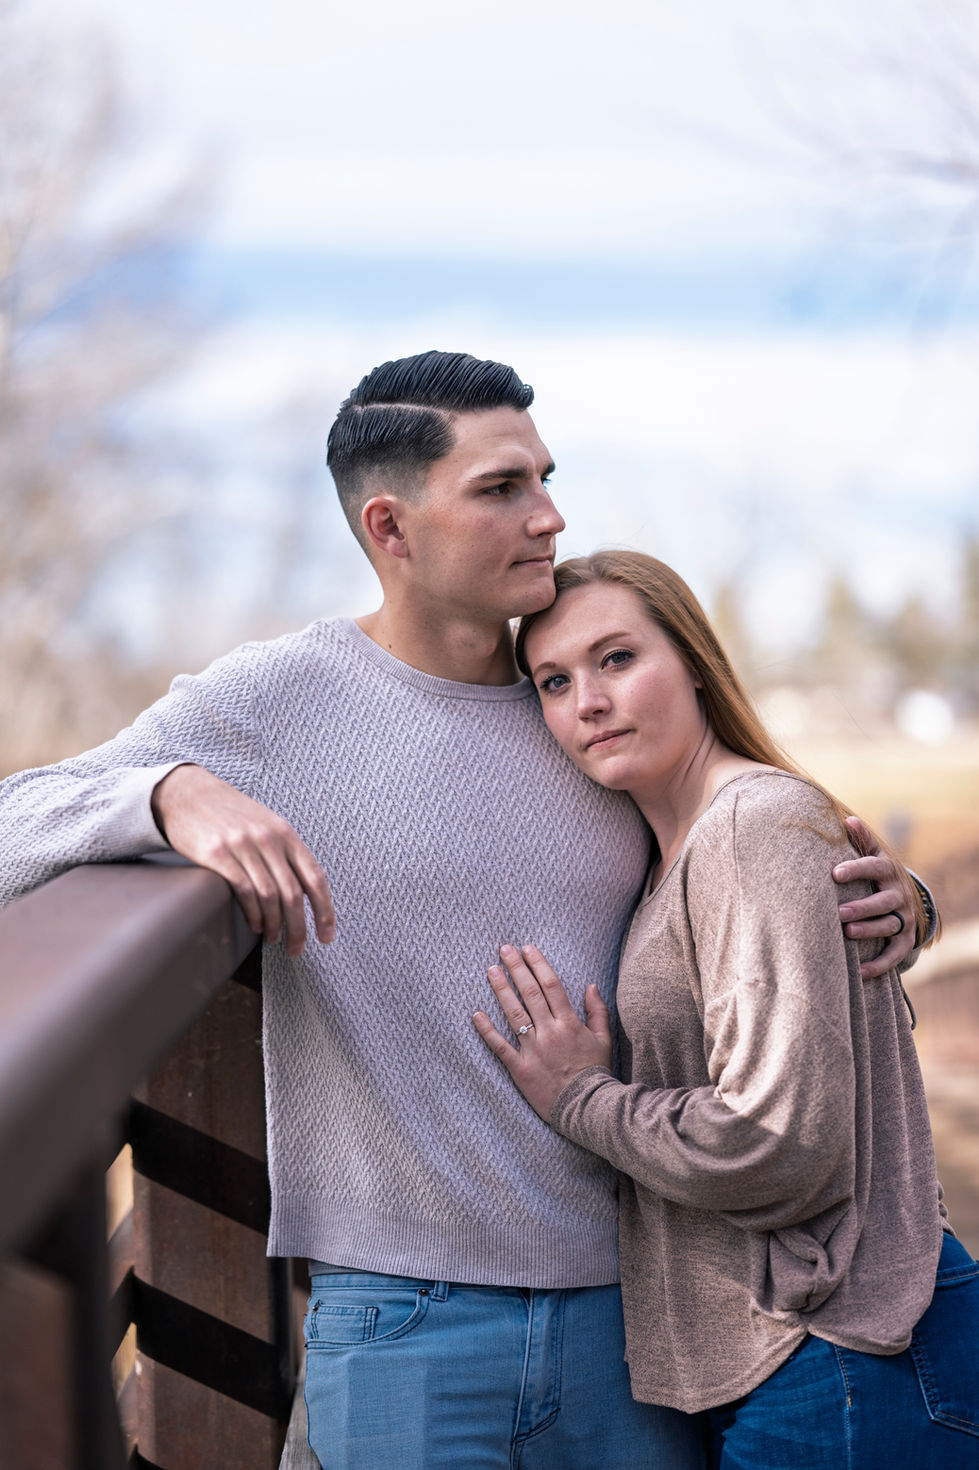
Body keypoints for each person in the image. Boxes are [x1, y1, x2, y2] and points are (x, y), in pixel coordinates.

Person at [0, 353, 929, 1470]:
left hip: (641, 1316)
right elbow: (19, 818)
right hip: (403, 1320)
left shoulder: (584, 706)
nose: (549, 514)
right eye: (502, 489)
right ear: (391, 529)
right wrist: (163, 791)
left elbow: (730, 860)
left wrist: (886, 904)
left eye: (543, 477)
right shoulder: (274, 702)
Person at [473, 549, 977, 1469]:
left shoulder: (750, 829)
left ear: (695, 661)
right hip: (788, 1362)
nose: (586, 699)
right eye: (553, 680)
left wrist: (581, 1098)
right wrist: (918, 904)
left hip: (846, 1357)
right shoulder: (670, 851)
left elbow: (774, 1142)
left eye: (617, 658)